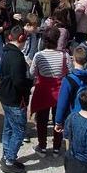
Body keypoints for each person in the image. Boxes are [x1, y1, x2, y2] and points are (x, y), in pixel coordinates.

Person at [29, 27, 70, 155]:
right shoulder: (65, 55)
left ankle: (42, 146)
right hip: (60, 91)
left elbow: (32, 73)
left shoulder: (39, 55)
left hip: (43, 90)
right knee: (59, 119)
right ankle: (57, 147)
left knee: (42, 120)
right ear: (57, 39)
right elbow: (70, 71)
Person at [0, 26, 30, 173]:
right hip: (15, 99)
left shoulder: (5, 51)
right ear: (21, 39)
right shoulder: (17, 57)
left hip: (5, 96)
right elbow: (19, 82)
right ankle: (9, 160)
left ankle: (6, 154)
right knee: (19, 130)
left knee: (8, 127)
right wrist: (31, 84)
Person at [54, 46, 87, 135]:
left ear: (73, 59)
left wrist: (58, 121)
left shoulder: (68, 79)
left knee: (71, 143)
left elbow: (62, 103)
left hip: (72, 117)